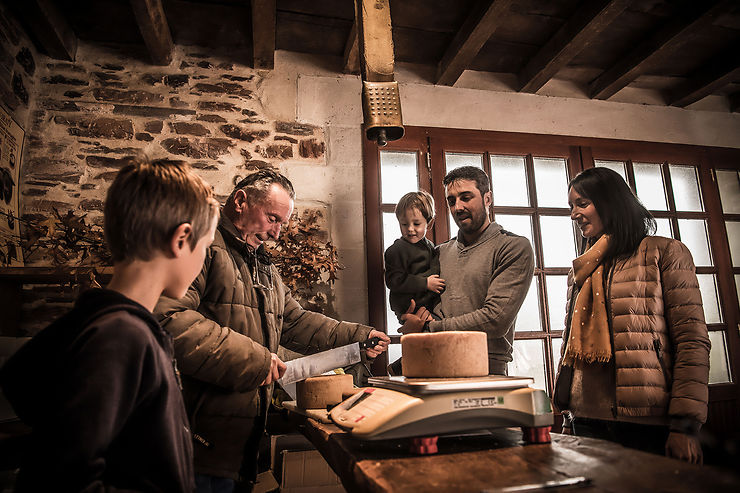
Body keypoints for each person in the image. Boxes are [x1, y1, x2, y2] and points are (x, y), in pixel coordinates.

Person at [154, 169, 389, 493]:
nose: (277, 233)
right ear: (240, 202)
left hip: (246, 437)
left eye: (282, 223)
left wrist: (358, 337)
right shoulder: (204, 247)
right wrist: (255, 361)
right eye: (272, 218)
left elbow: (294, 321)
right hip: (201, 436)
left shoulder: (263, 266)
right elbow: (168, 319)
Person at [0, 159, 220, 492]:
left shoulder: (99, 325)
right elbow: (59, 481)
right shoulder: (121, 337)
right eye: (206, 247)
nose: (204, 257)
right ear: (181, 239)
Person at [553, 166, 710, 464]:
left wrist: (685, 426)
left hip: (647, 422)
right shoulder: (582, 267)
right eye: (571, 206)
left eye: (582, 203)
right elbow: (568, 347)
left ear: (611, 203)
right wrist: (564, 410)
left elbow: (692, 342)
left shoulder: (664, 253)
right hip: (584, 421)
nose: (574, 214)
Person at [400, 166, 535, 376]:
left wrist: (429, 329)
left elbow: (495, 320)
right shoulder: (439, 252)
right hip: (432, 361)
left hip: (485, 368)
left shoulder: (513, 247)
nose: (458, 207)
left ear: (488, 198)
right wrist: (409, 316)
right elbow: (415, 302)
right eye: (452, 201)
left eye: (466, 197)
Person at [384, 190, 444, 374]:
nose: (410, 229)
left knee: (431, 338)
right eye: (404, 224)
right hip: (406, 302)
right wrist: (425, 283)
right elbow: (394, 281)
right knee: (428, 333)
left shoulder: (430, 247)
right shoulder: (396, 250)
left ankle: (404, 365)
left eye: (416, 224)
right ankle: (401, 367)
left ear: (430, 223)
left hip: (424, 300)